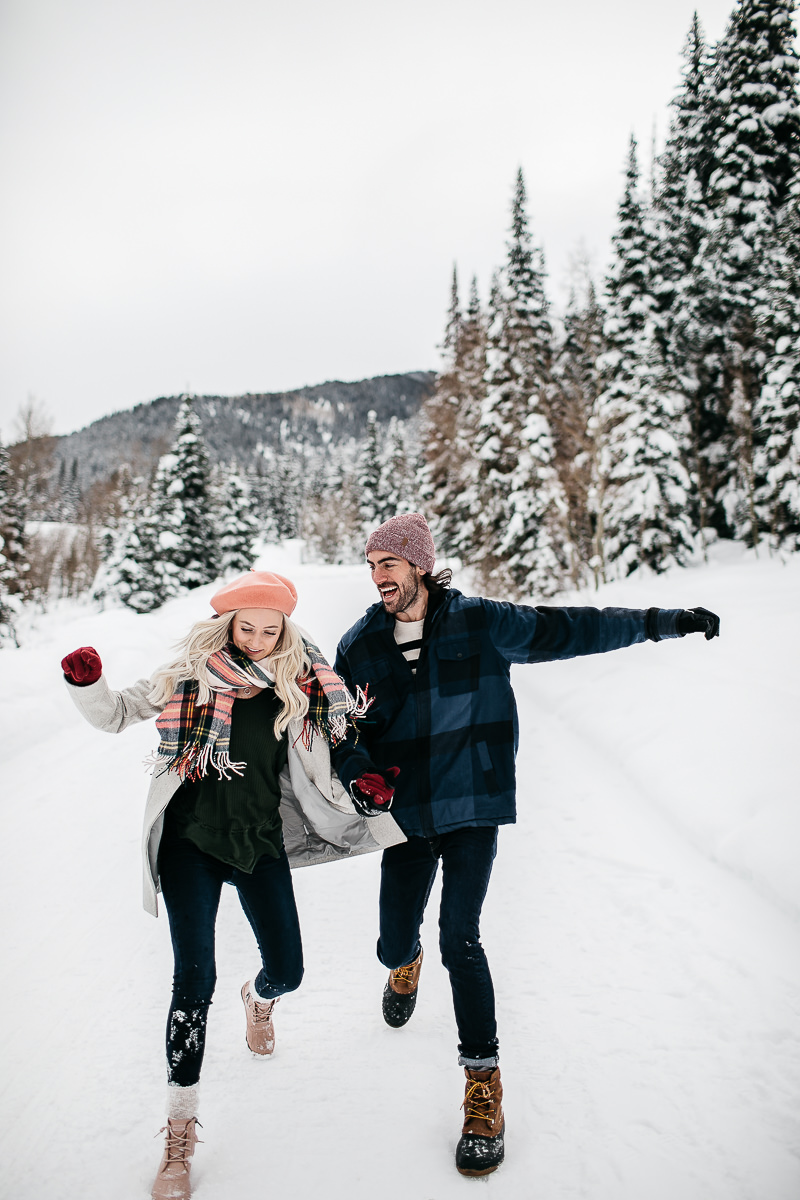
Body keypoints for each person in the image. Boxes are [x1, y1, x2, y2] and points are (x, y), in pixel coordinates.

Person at [330, 512, 721, 1178]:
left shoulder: (480, 622)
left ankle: (483, 1087)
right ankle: (405, 960)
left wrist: (664, 619)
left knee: (462, 936)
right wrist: (356, 768)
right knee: (393, 941)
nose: (377, 578)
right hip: (405, 817)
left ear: (419, 564)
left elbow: (575, 627)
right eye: (369, 566)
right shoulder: (360, 645)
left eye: (387, 564)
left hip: (473, 805)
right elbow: (339, 728)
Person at [61, 569, 404, 1200]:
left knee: (290, 970)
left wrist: (363, 779)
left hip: (259, 846)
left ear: (285, 631)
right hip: (192, 846)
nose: (257, 639)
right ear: (227, 623)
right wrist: (87, 682)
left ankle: (260, 996)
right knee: (194, 981)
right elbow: (114, 715)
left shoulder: (300, 685)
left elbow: (341, 739)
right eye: (247, 627)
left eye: (270, 630)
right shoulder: (187, 676)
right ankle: (178, 1134)